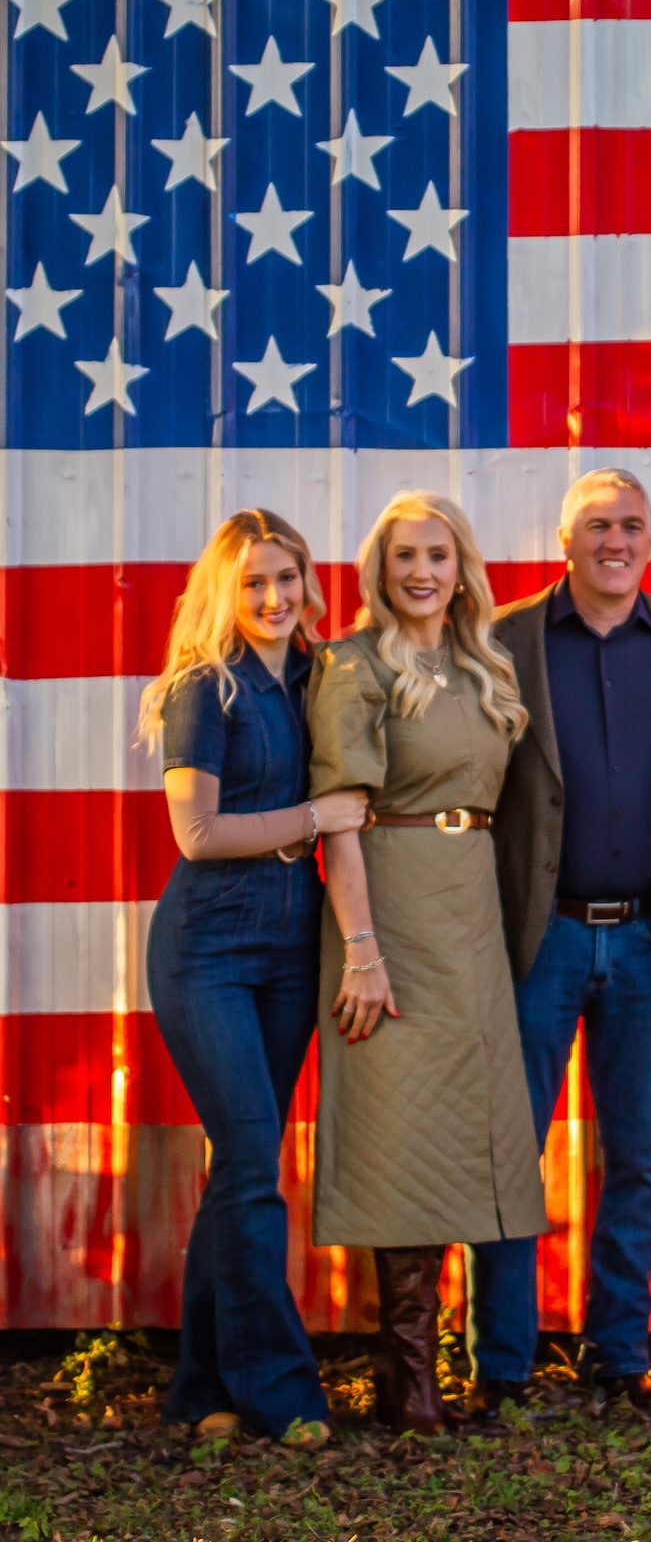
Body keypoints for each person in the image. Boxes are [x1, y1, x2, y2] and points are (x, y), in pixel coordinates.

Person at [472, 470, 651, 1417]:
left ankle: (617, 1352)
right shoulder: (507, 638)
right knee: (509, 1149)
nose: (616, 540)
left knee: (642, 1154)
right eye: (596, 526)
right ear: (563, 537)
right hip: (541, 935)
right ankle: (501, 1360)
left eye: (632, 525)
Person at [308, 491, 547, 1435]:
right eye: (404, 554)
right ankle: (408, 1385)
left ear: (461, 566)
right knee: (400, 1129)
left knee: (457, 1132)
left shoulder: (483, 663)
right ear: (381, 567)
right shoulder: (352, 664)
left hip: (471, 909)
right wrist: (362, 948)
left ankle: (438, 1377)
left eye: (437, 555)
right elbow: (337, 819)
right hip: (392, 906)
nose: (421, 571)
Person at [139, 510, 366, 1449]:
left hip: (290, 949)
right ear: (225, 593)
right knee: (249, 1164)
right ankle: (282, 1390)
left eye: (288, 579)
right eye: (255, 583)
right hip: (207, 948)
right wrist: (316, 814)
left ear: (309, 583)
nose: (274, 599)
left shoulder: (320, 677)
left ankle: (201, 1389)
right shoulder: (205, 687)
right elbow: (198, 833)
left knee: (240, 1169)